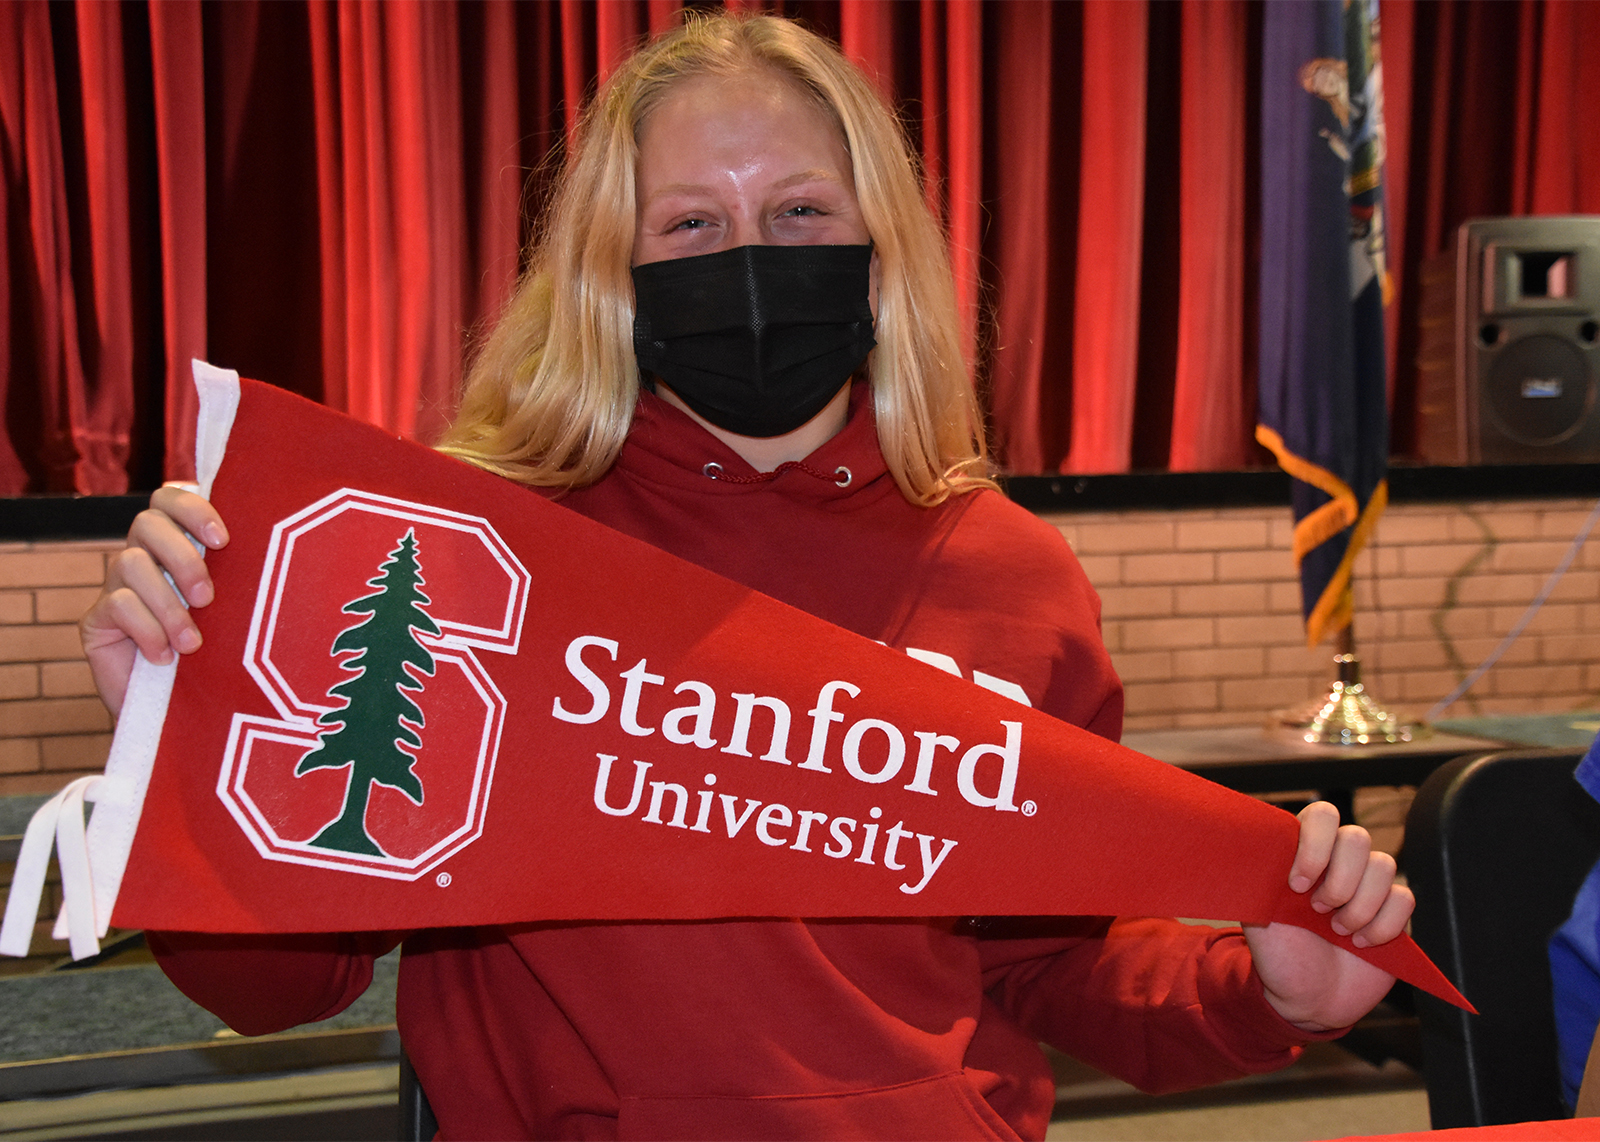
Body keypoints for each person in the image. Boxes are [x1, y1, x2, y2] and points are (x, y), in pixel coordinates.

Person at [81, 13, 1413, 1140]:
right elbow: (279, 979)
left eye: (797, 212)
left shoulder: (1008, 571)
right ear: (616, 267)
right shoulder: (465, 550)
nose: (751, 258)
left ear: (880, 244)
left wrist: (1265, 990)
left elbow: (1046, 957)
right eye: (690, 223)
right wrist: (174, 746)